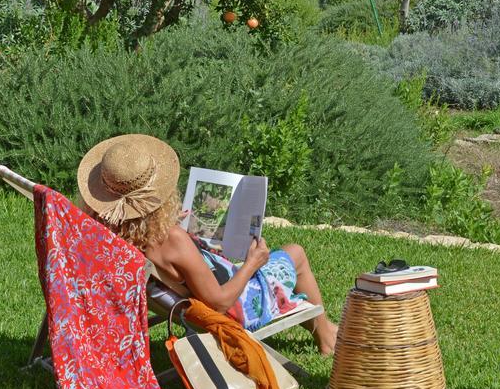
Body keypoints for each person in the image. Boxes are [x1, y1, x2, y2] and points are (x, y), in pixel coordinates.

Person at [76, 134, 339, 355]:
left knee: (285, 256)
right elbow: (219, 305)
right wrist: (252, 263)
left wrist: (166, 223)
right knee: (295, 254)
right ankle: (326, 336)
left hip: (195, 291)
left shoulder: (109, 234)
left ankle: (324, 329)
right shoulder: (171, 241)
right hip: (238, 310)